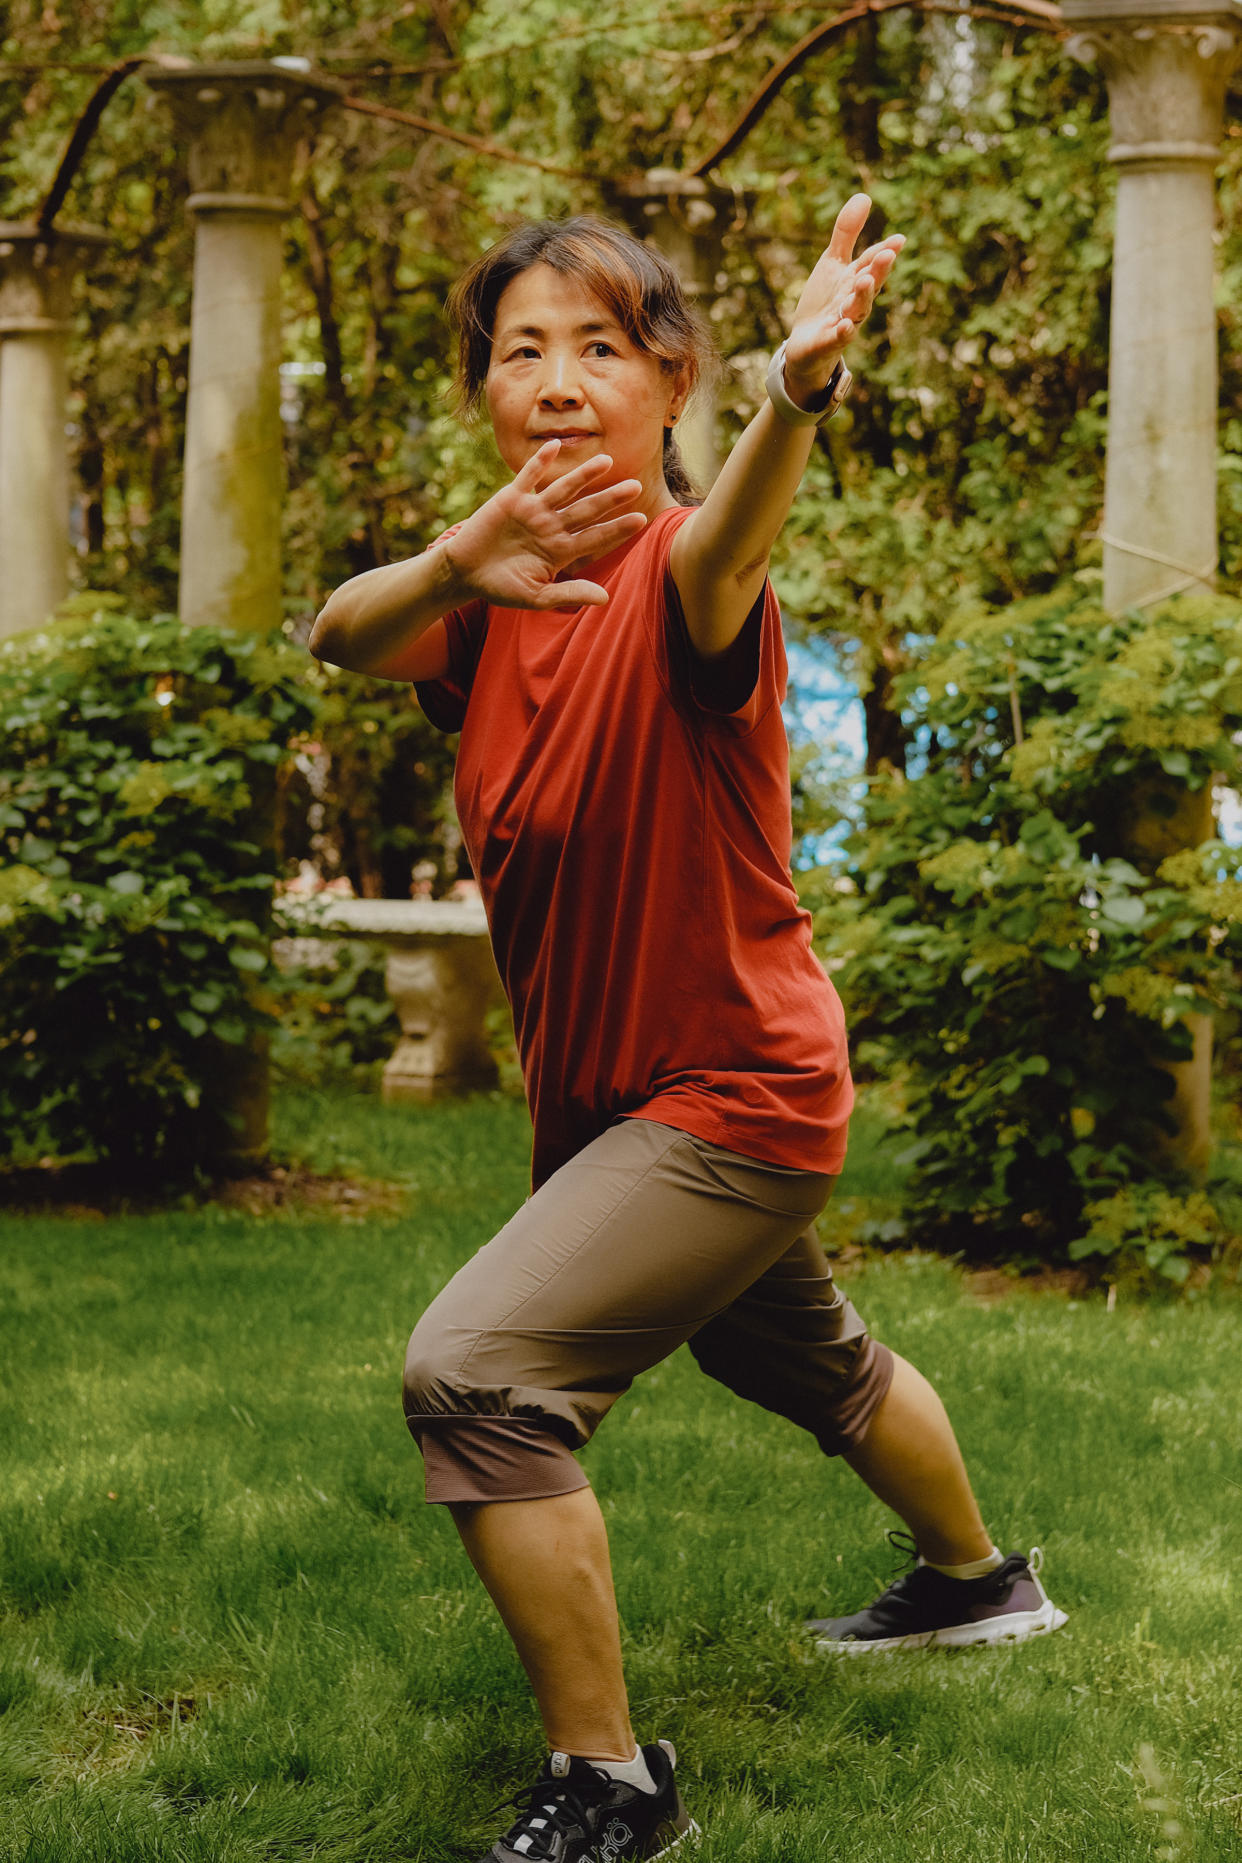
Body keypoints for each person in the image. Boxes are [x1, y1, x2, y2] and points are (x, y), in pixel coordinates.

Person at [309, 197, 1066, 1863]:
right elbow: (334, 635)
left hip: (733, 1093)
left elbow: (729, 541)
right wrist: (454, 563)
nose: (560, 381)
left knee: (479, 1373)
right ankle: (976, 1586)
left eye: (601, 346)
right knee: (801, 1352)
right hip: (611, 1109)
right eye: (523, 351)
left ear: (667, 383)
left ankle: (611, 1783)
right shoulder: (491, 598)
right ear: (486, 396)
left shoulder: (685, 577)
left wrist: (794, 398)